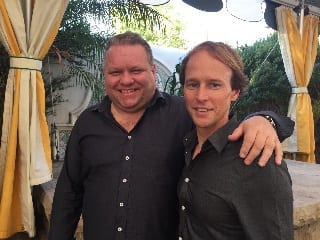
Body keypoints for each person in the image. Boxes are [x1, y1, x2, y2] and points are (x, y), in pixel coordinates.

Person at [48, 31, 294, 240]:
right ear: (105, 75)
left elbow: (223, 120)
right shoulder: (88, 123)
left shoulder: (183, 114)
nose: (126, 80)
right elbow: (68, 195)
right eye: (115, 72)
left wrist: (265, 120)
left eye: (136, 70)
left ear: (153, 71)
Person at [178, 41, 293, 240]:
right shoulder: (187, 142)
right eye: (193, 84)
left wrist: (266, 120)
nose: (201, 96)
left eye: (214, 85)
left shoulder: (257, 160)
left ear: (235, 92)